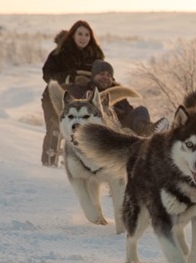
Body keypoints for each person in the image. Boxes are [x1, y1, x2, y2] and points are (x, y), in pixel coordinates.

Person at [40, 20, 104, 166]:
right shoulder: (59, 53)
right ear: (73, 35)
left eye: (87, 35)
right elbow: (47, 75)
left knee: (84, 134)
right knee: (54, 128)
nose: (83, 37)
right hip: (55, 98)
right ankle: (48, 165)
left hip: (84, 103)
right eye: (80, 34)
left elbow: (101, 76)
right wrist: (70, 77)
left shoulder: (96, 56)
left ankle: (81, 166)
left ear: (91, 37)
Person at [73, 59, 153, 136]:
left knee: (141, 110)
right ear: (93, 76)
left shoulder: (119, 93)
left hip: (120, 129)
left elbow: (128, 111)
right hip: (95, 131)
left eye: (109, 75)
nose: (105, 77)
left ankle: (147, 130)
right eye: (101, 74)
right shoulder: (80, 89)